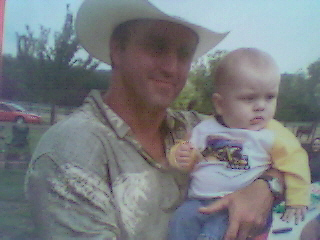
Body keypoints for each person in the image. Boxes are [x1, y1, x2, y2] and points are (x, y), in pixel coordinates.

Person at [25, 0, 284, 239]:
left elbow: (280, 154)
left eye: (184, 54)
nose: (171, 67)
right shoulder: (73, 151)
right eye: (156, 47)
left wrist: (264, 187)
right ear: (117, 49)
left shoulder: (196, 128)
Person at [168, 48, 311, 240]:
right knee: (180, 221)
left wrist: (298, 200)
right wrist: (183, 156)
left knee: (216, 233)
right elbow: (193, 153)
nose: (261, 106)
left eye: (269, 97)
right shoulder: (205, 128)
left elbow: (295, 163)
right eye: (248, 98)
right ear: (220, 104)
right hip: (198, 200)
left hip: (239, 206)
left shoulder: (271, 133)